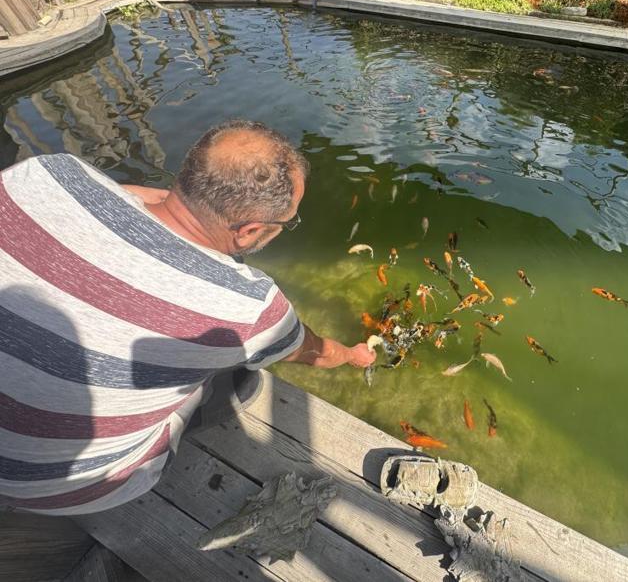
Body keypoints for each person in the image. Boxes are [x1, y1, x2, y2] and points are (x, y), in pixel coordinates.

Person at [0, 119, 375, 515]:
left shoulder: (48, 172)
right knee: (235, 377)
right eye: (286, 223)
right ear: (248, 233)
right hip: (56, 490)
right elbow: (313, 352)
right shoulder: (249, 305)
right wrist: (354, 355)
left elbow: (116, 193)